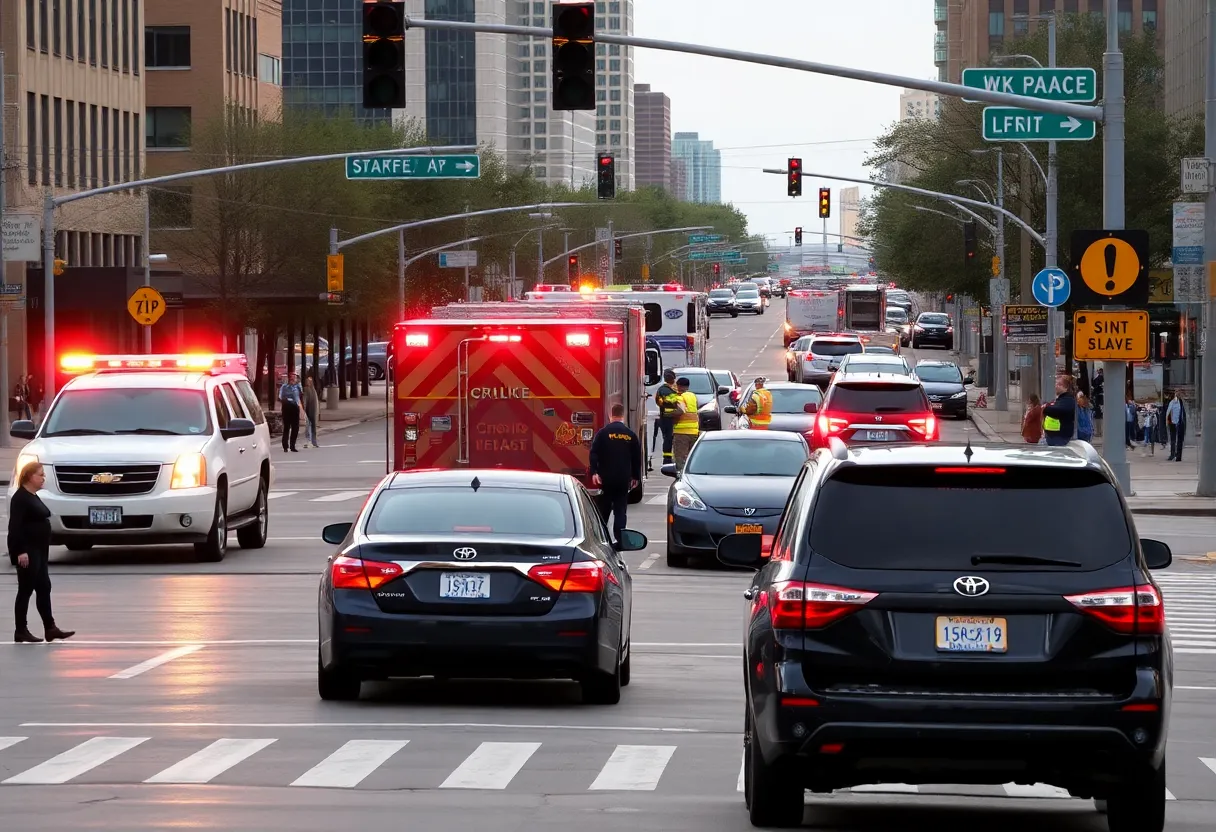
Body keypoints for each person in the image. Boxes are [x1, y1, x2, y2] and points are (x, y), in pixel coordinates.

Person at [9, 463, 74, 643]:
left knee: (44, 587)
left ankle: (50, 628)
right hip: (28, 551)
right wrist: (20, 551)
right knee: (25, 590)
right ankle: (21, 629)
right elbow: (15, 527)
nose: (43, 478)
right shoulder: (20, 498)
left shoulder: (33, 496)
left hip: (40, 551)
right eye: (40, 475)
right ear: (30, 476)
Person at [588, 403, 642, 546]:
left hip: (606, 478)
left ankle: (601, 538)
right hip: (623, 478)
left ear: (611, 415)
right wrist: (636, 477)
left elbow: (594, 453)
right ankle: (620, 538)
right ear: (623, 415)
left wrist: (594, 472)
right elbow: (637, 457)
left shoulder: (603, 433)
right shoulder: (630, 435)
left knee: (604, 508)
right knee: (620, 509)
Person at [671, 377, 700, 475]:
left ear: (678, 386)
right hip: (694, 432)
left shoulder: (680, 397)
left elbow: (680, 410)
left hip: (681, 433)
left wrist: (670, 414)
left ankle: (681, 477)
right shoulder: (693, 396)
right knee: (692, 458)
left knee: (680, 458)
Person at [653, 369, 680, 467]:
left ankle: (668, 459)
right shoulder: (666, 390)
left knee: (668, 438)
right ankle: (667, 460)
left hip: (667, 417)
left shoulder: (664, 389)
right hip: (667, 418)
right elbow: (672, 402)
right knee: (668, 438)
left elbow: (659, 401)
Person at [1042, 375, 1077, 447]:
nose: (1056, 386)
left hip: (1059, 437)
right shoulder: (1062, 399)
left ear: (1066, 388)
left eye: (1060, 384)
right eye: (1056, 383)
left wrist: (1045, 408)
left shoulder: (1068, 400)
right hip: (1054, 436)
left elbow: (1058, 410)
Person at [279, 372, 302, 453]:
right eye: (292, 378)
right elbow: (280, 397)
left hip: (295, 408)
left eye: (294, 378)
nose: (293, 379)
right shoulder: (284, 387)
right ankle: (285, 446)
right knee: (287, 428)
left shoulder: (298, 387)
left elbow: (300, 396)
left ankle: (293, 446)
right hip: (287, 408)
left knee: (295, 428)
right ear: (289, 379)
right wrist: (287, 400)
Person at [1166, 390, 1187, 462]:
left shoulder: (1182, 402)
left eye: (1180, 393)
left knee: (1180, 440)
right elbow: (1168, 412)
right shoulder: (1172, 402)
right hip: (1173, 423)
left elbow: (1183, 414)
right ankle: (1172, 455)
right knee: (1173, 439)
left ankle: (1178, 456)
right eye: (1177, 393)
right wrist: (1169, 423)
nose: (1179, 394)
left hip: (1180, 423)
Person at [302, 377, 320, 449]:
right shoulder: (311, 390)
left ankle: (311, 441)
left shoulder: (309, 390)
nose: (308, 383)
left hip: (311, 410)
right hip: (311, 410)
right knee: (312, 426)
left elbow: (305, 401)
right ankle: (312, 441)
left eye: (309, 382)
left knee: (310, 426)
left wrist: (304, 410)